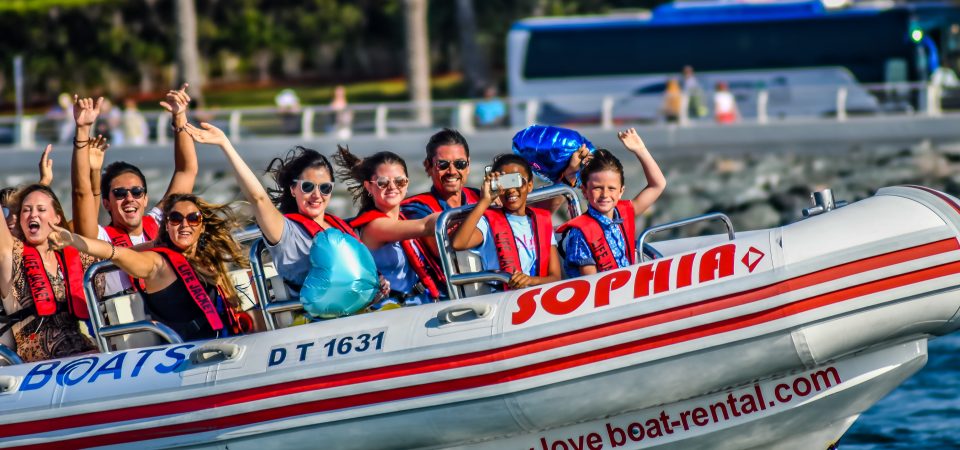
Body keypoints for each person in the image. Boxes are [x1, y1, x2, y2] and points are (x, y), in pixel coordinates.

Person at [182, 122, 357, 297]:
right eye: (308, 187)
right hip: (316, 317)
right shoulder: (285, 231)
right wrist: (225, 144)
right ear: (293, 189)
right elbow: (258, 198)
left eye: (325, 188)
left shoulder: (339, 227)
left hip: (357, 307)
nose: (317, 195)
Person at [48, 193, 252, 342]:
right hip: (189, 353)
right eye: (175, 218)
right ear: (167, 225)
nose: (184, 224)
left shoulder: (207, 258)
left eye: (193, 218)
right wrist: (73, 240)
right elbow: (115, 253)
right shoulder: (156, 263)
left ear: (202, 225)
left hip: (228, 341)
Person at [71, 86, 199, 296]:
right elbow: (80, 193)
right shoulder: (99, 238)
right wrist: (83, 131)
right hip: (128, 326)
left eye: (137, 191)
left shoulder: (159, 223)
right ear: (106, 203)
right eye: (120, 194)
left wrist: (179, 117)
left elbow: (186, 171)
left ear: (146, 198)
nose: (129, 198)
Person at [0, 184, 98, 362]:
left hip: (86, 355)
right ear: (20, 221)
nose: (33, 214)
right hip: (41, 368)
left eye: (41, 209)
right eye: (26, 210)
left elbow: (111, 249)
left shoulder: (75, 257)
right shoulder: (12, 258)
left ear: (57, 218)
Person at [336, 147, 441, 310]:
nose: (392, 187)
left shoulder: (404, 218)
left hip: (420, 304)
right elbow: (426, 226)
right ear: (369, 187)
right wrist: (477, 208)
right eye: (383, 183)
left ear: (407, 184)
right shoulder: (375, 226)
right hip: (390, 311)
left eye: (399, 181)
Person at [558, 128, 667, 277]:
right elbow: (590, 283)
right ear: (584, 190)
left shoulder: (624, 212)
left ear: (621, 191)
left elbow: (658, 185)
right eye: (597, 188)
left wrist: (640, 150)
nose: (605, 194)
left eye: (611, 188)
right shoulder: (580, 233)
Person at [451, 154, 562, 290]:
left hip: (536, 295)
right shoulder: (487, 223)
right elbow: (458, 243)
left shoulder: (542, 222)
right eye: (504, 183)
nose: (511, 190)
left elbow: (555, 277)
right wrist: (485, 201)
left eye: (516, 180)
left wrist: (530, 281)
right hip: (504, 298)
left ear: (530, 185)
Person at [401, 129, 480, 292]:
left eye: (460, 164)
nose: (452, 171)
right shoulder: (416, 209)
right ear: (429, 167)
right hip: (448, 296)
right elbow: (449, 247)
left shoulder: (479, 196)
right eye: (443, 165)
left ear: (468, 166)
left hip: (493, 286)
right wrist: (486, 209)